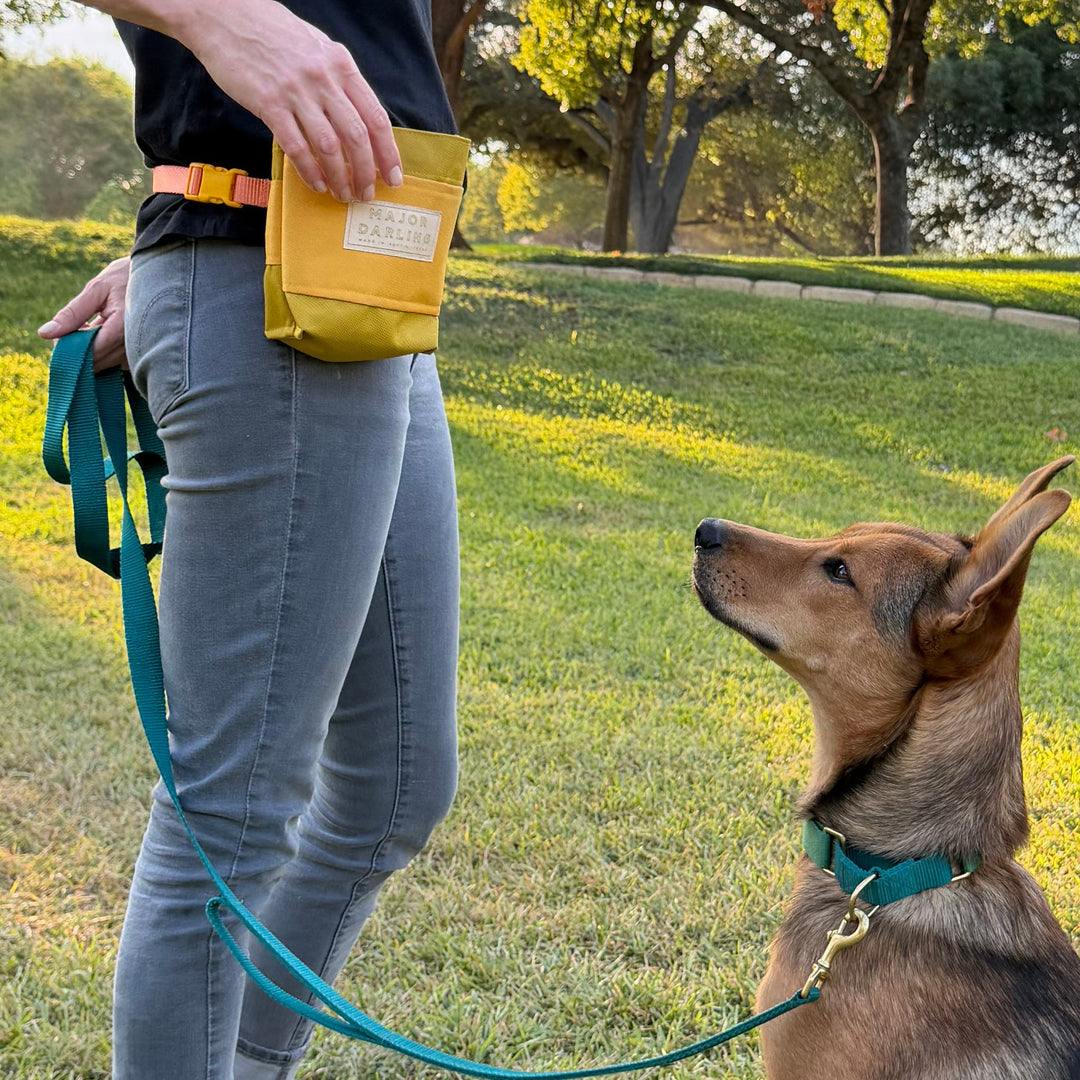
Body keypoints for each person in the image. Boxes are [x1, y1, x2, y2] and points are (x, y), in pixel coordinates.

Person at [37, 4, 461, 1078]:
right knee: (227, 818)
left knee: (396, 784)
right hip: (259, 284)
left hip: (368, 278)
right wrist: (218, 19)